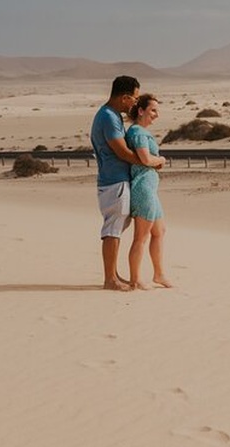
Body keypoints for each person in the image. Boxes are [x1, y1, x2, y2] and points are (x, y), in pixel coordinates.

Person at [90, 76, 162, 291]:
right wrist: (150, 162)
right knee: (112, 229)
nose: (135, 103)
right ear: (124, 97)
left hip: (116, 180)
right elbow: (121, 151)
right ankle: (109, 280)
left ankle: (113, 275)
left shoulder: (111, 116)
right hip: (114, 181)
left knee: (116, 228)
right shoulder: (108, 117)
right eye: (134, 98)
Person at [125, 94, 172, 290]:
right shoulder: (138, 133)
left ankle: (159, 274)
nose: (156, 115)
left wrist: (155, 162)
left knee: (159, 231)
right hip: (143, 188)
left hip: (150, 188)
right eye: (153, 110)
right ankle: (135, 279)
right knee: (141, 236)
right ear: (141, 111)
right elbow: (145, 159)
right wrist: (160, 160)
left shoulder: (141, 132)